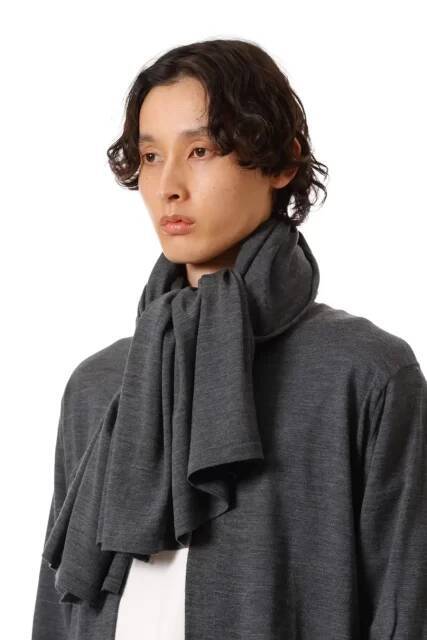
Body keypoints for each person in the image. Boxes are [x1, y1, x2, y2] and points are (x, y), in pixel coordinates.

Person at [31, 38, 427, 640]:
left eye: (201, 150)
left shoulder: (365, 375)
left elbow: (407, 610)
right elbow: (58, 610)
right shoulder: (98, 385)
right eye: (151, 156)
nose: (169, 185)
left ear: (282, 163)